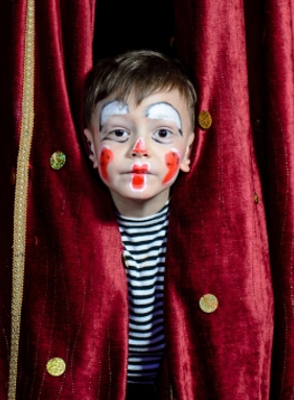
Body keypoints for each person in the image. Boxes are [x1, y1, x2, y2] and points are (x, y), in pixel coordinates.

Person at [81, 50, 197, 399]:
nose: (140, 148)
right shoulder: (76, 234)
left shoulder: (199, 239)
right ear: (91, 147)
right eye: (119, 132)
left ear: (189, 152)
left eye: (163, 132)